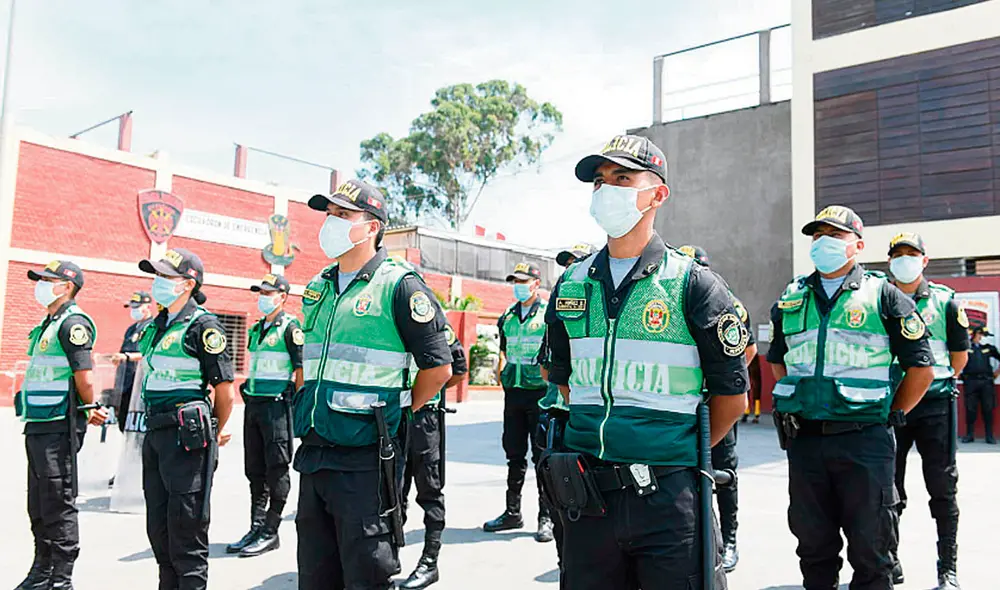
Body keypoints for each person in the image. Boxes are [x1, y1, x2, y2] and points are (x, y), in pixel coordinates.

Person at [545, 134, 749, 589]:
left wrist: (668, 451)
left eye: (622, 178)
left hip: (669, 500)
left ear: (657, 194)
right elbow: (563, 381)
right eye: (599, 181)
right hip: (587, 494)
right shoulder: (572, 284)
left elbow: (732, 399)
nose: (606, 190)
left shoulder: (694, 284)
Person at [294, 179, 453, 590]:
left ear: (372, 227)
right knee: (315, 573)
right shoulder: (319, 286)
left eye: (343, 215)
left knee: (366, 570)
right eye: (329, 214)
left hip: (365, 455)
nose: (331, 223)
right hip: (314, 451)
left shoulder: (399, 285)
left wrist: (401, 409)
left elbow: (438, 368)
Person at [768, 206, 935, 590]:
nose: (823, 242)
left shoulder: (885, 296)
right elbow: (779, 362)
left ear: (857, 245)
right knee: (813, 547)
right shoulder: (793, 297)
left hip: (865, 439)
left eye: (834, 235)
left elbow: (921, 369)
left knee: (872, 549)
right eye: (817, 235)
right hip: (805, 440)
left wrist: (892, 412)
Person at [137, 248, 235, 590]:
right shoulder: (158, 324)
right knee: (159, 529)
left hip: (188, 438)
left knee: (186, 531)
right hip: (156, 435)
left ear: (187, 284)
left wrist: (214, 431)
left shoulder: (204, 326)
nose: (158, 283)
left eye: (166, 277)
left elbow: (225, 392)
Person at [883, 232, 969, 590]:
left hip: (934, 403)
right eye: (898, 254)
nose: (905, 259)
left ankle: (946, 569)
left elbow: (958, 358)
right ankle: (891, 561)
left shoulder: (946, 302)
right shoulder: (878, 301)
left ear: (924, 260)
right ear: (889, 261)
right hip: (893, 405)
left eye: (911, 254)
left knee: (942, 487)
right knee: (888, 489)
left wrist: (929, 384)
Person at [16, 260, 109, 590]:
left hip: (59, 423)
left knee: (58, 500)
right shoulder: (49, 323)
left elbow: (83, 376)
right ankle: (41, 568)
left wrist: (88, 406)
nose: (40, 284)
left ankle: (61, 577)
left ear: (66, 286)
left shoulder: (73, 323)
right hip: (38, 421)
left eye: (47, 280)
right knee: (38, 502)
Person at [679, 244, 758, 573]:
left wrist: (722, 380)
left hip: (715, 403)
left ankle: (729, 539)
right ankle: (695, 538)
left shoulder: (729, 304)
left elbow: (748, 350)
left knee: (724, 473)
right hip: (682, 404)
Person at [226, 274, 303, 558]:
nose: (263, 296)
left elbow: (300, 372)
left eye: (268, 292)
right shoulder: (257, 329)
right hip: (255, 405)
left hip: (277, 406)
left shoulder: (290, 328)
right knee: (255, 470)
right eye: (261, 291)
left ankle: (271, 530)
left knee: (277, 467)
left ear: (282, 296)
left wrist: (297, 407)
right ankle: (256, 526)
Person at [534, 242, 595, 582]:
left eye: (576, 262)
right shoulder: (559, 310)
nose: (569, 269)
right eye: (566, 264)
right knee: (562, 502)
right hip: (560, 417)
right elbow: (549, 368)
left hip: (590, 420)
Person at [484, 261, 553, 543]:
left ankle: (546, 517)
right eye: (515, 281)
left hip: (539, 393)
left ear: (536, 283)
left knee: (541, 457)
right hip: (513, 392)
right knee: (513, 454)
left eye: (524, 281)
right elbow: (503, 349)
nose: (519, 286)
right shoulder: (508, 316)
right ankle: (512, 512)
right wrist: (500, 371)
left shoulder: (548, 314)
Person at [399, 323, 468, 589]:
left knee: (429, 491)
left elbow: (457, 370)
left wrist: (428, 391)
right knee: (391, 489)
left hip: (424, 419)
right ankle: (388, 557)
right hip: (394, 417)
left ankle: (430, 561)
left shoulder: (436, 326)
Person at [111, 290, 154, 433]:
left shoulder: (152, 327)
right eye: (132, 307)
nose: (134, 311)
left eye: (137, 307)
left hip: (140, 383)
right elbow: (123, 352)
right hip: (126, 382)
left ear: (148, 306)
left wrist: (128, 357)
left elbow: (150, 354)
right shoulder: (131, 329)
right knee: (123, 423)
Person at [960, 326, 1000, 444]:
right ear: (976, 334)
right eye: (981, 334)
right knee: (970, 409)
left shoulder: (988, 348)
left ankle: (989, 436)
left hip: (986, 382)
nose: (982, 337)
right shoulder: (967, 347)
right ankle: (969, 435)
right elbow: (955, 358)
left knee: (988, 408)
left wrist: (997, 373)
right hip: (970, 382)